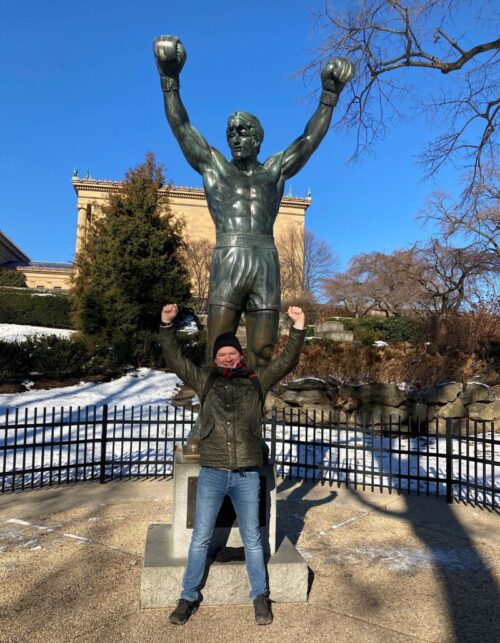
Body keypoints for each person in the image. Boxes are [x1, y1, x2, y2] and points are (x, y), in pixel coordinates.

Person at [153, 35, 353, 368]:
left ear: (258, 138)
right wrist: (169, 81)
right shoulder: (215, 168)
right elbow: (181, 126)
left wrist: (329, 97)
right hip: (228, 256)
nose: (235, 137)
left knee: (263, 351)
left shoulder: (274, 171)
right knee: (216, 351)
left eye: (243, 131)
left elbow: (309, 140)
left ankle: (254, 415)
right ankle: (212, 414)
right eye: (231, 131)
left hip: (264, 259)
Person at [159, 303, 306, 625]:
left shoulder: (257, 380)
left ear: (240, 355)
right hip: (212, 472)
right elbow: (175, 360)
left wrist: (297, 328)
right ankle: (187, 597)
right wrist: (167, 326)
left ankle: (260, 597)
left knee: (253, 539)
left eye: (232, 353)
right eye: (222, 354)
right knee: (200, 537)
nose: (227, 357)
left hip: (247, 474)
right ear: (215, 358)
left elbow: (286, 362)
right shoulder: (204, 380)